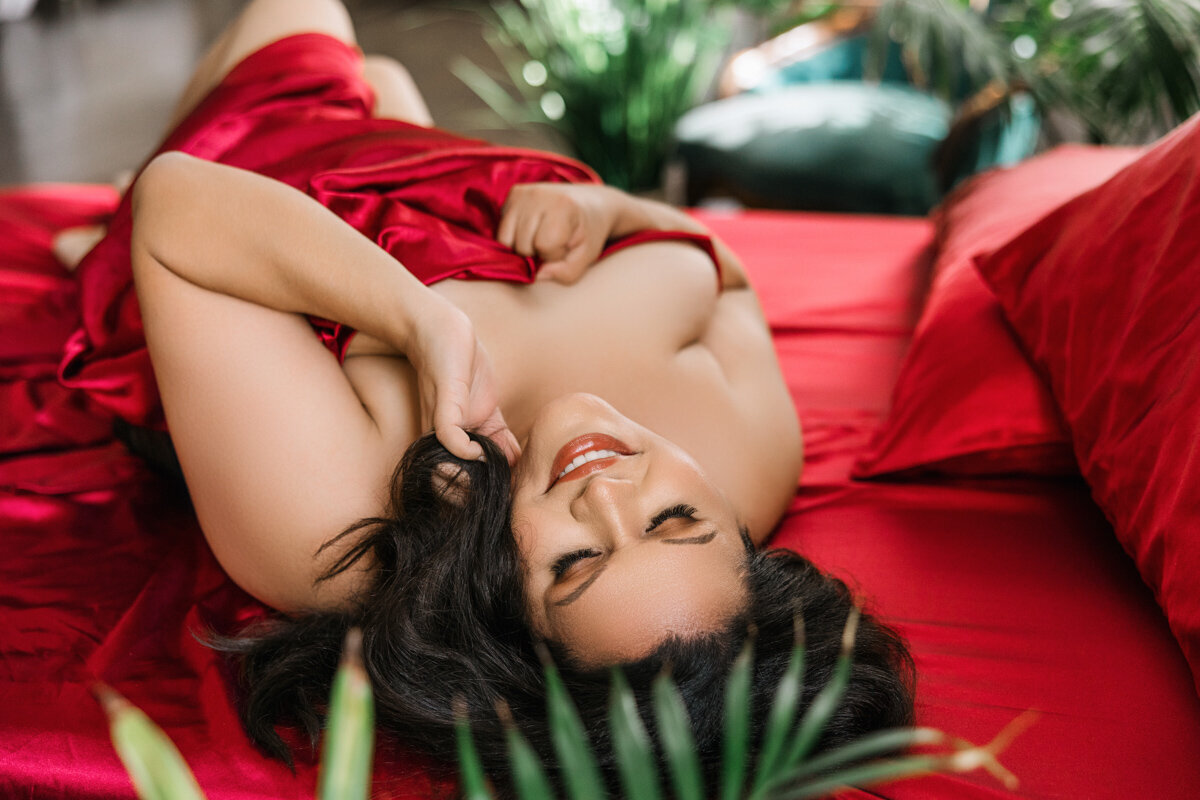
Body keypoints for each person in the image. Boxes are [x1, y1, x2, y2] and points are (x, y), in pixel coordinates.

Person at [58, 0, 914, 791]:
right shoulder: (753, 460)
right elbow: (723, 276)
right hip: (451, 171)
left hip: (278, 192)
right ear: (740, 539)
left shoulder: (340, 533)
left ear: (509, 624)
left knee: (304, 7)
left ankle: (99, 229)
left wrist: (412, 317)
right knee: (385, 78)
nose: (606, 491)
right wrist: (607, 207)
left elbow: (177, 206)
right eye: (674, 521)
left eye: (576, 563)